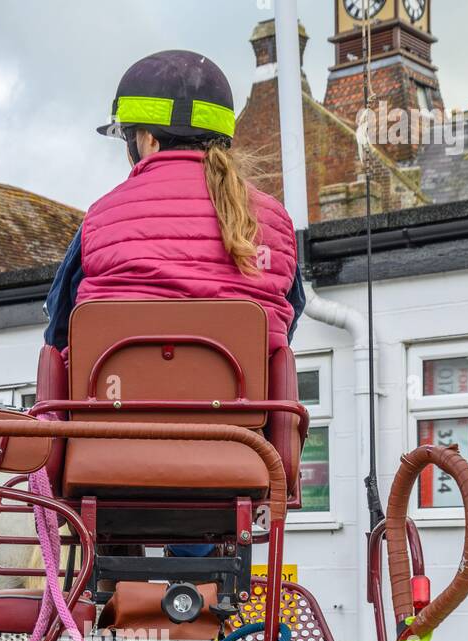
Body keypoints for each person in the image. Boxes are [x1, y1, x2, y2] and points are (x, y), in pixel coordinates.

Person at [43, 50, 304, 557]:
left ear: (146, 139)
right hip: (236, 463)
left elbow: (57, 334)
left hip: (107, 464)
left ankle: (110, 594)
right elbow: (281, 335)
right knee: (210, 513)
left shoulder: (101, 217)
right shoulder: (273, 222)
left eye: (126, 139)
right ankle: (202, 597)